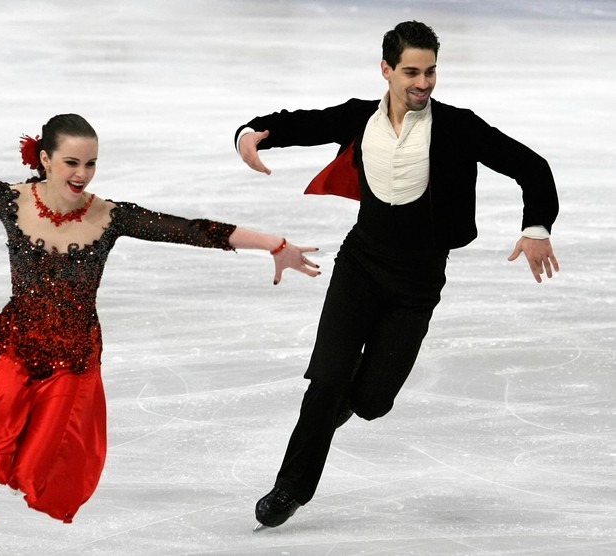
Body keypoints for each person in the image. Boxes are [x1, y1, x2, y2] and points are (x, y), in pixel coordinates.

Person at [0, 113, 321, 555]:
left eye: (91, 162)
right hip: (12, 349)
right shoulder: (9, 201)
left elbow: (191, 229)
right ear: (46, 160)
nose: (82, 173)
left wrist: (272, 243)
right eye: (72, 162)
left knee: (45, 466)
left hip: (72, 362)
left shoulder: (110, 217)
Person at [234, 21, 560, 529]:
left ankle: (346, 403)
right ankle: (289, 489)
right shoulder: (360, 118)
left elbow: (531, 166)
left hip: (417, 280)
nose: (423, 82)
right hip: (361, 263)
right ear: (386, 69)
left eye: (431, 71)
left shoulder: (457, 126)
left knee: (370, 401)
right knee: (325, 382)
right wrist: (251, 134)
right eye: (411, 71)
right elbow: (304, 123)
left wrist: (536, 227)